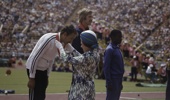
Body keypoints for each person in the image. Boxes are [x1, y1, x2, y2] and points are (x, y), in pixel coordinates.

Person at [25, 24, 77, 100]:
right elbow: (34, 57)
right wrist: (31, 78)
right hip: (35, 69)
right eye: (71, 38)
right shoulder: (49, 39)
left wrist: (47, 75)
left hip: (43, 70)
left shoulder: (59, 43)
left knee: (41, 96)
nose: (71, 41)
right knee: (35, 96)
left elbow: (51, 59)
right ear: (65, 35)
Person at [66, 30, 100, 100]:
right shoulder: (95, 54)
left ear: (87, 43)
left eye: (82, 42)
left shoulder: (88, 57)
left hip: (80, 91)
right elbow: (81, 58)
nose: (81, 45)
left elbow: (68, 59)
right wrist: (69, 47)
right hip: (89, 90)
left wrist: (59, 47)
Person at [103, 29, 124, 100]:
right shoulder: (110, 50)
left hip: (118, 79)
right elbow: (106, 67)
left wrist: (120, 82)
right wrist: (109, 82)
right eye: (119, 37)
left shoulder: (117, 49)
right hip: (113, 80)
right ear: (112, 37)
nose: (120, 39)